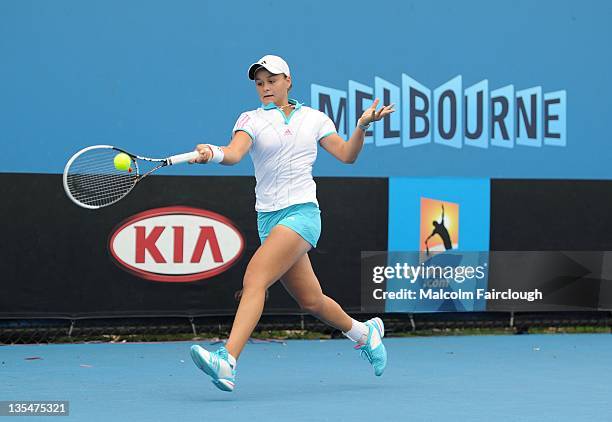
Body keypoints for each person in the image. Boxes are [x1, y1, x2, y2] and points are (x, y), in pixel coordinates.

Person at [189, 55, 395, 392]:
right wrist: (211, 152)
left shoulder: (314, 119)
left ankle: (227, 359)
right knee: (311, 301)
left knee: (255, 279)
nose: (265, 87)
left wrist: (362, 126)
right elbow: (234, 153)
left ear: (288, 81)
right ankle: (363, 332)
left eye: (272, 80)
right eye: (259, 82)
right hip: (268, 218)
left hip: (302, 213)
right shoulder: (250, 119)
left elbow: (346, 155)